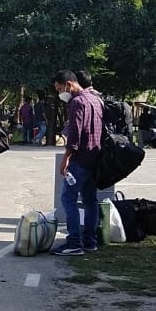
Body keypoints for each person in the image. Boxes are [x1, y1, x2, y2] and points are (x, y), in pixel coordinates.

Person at [52, 69, 103, 256]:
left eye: (59, 89)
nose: (60, 93)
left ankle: (74, 242)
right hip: (95, 157)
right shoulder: (96, 99)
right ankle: (90, 241)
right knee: (90, 200)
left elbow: (74, 135)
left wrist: (65, 159)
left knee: (68, 198)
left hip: (80, 159)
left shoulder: (77, 102)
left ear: (69, 84)